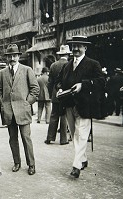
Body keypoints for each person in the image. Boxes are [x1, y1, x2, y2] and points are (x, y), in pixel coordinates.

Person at [56, 36, 105, 178]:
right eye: (74, 46)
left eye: (79, 46)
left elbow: (101, 81)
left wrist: (83, 85)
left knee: (82, 135)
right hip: (69, 105)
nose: (76, 49)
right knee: (74, 135)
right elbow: (58, 81)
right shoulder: (66, 66)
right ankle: (83, 159)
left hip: (85, 106)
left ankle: (76, 166)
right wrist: (59, 89)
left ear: (85, 48)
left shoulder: (93, 64)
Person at [0, 44, 39, 175]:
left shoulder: (27, 70)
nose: (12, 58)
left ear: (19, 56)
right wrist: (2, 101)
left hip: (23, 110)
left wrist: (27, 102)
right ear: (7, 58)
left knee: (26, 138)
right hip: (9, 112)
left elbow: (35, 89)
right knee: (12, 139)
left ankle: (31, 164)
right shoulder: (2, 73)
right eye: (9, 56)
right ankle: (17, 163)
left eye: (14, 55)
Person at [45, 45, 71, 145]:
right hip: (66, 94)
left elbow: (50, 82)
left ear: (60, 55)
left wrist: (52, 93)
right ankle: (63, 139)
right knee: (64, 115)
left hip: (55, 94)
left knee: (54, 115)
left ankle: (50, 137)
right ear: (68, 55)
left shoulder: (53, 65)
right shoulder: (70, 64)